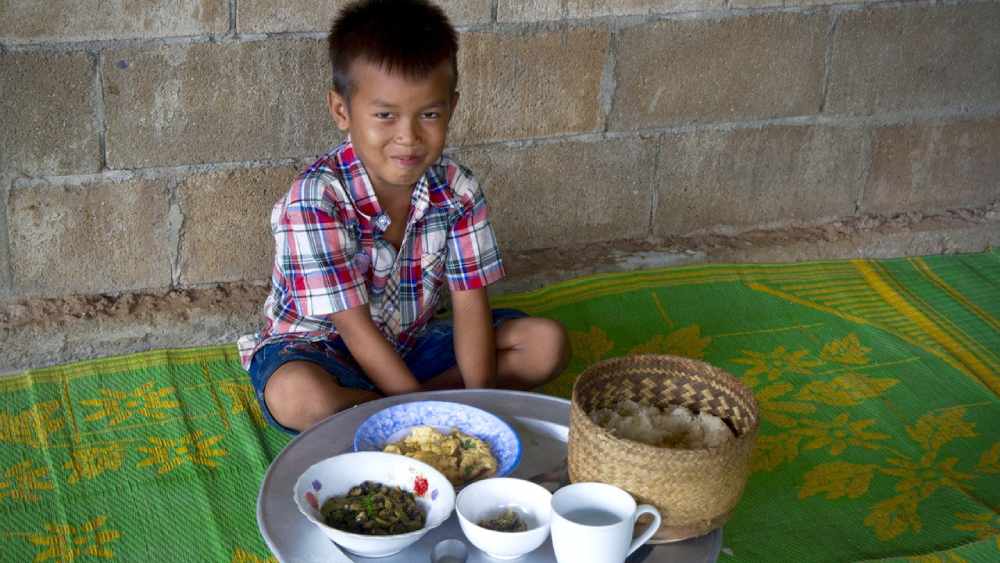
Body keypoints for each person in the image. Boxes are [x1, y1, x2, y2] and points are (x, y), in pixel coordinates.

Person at [237, 0, 570, 433]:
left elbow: (470, 307)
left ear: (451, 107)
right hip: (320, 351)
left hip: (411, 344)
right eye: (385, 115)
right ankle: (417, 407)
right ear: (342, 111)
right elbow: (355, 331)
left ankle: (397, 409)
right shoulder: (315, 200)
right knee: (300, 399)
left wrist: (481, 406)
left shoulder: (457, 190)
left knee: (545, 344)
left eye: (428, 114)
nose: (408, 137)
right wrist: (421, 423)